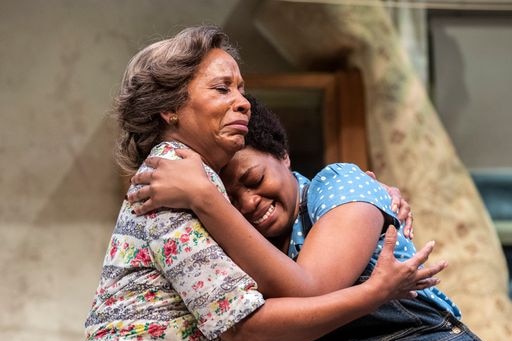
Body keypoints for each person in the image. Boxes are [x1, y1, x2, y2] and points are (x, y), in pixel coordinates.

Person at [85, 26, 445, 341]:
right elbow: (243, 327)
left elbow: (297, 295)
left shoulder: (201, 187)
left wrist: (207, 198)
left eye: (241, 89)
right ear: (170, 107)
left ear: (284, 156)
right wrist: (374, 293)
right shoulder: (174, 175)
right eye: (222, 88)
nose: (241, 102)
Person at [128, 95, 482, 340]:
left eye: (254, 180)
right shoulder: (242, 243)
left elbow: (313, 289)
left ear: (283, 156)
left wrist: (205, 197)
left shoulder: (338, 182)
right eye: (230, 199)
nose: (248, 203)